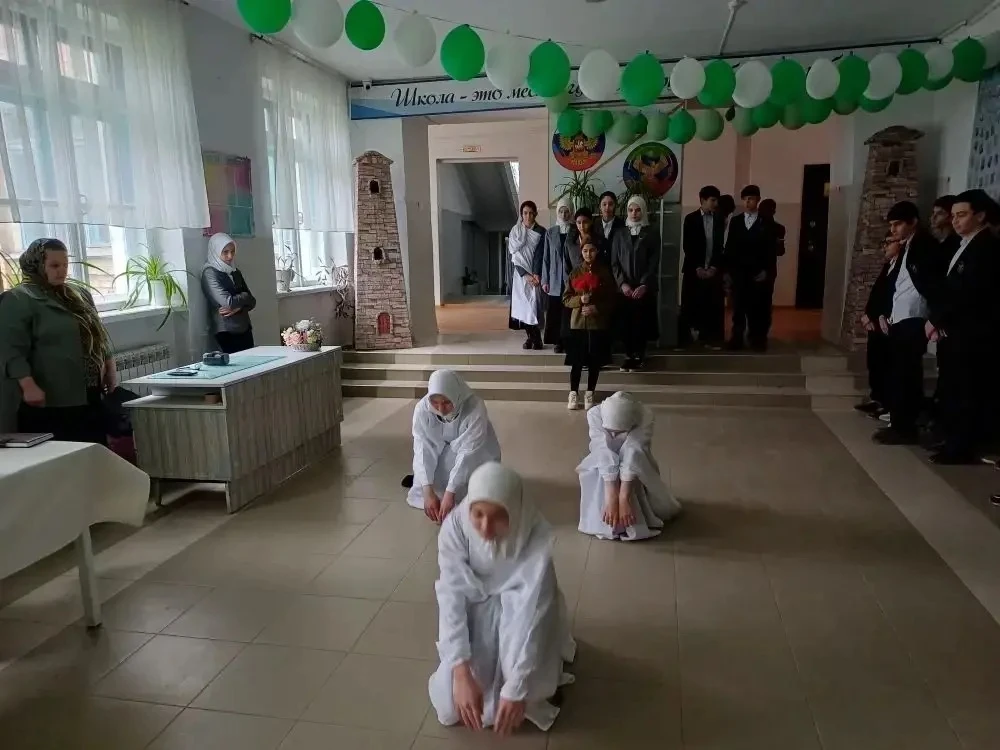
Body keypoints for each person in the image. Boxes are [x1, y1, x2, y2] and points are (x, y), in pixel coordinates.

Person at [428, 461, 576, 736]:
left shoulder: (534, 536)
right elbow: (451, 598)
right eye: (478, 514)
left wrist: (516, 687)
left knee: (519, 689)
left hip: (524, 610)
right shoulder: (456, 528)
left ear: (515, 513)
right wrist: (460, 670)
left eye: (498, 517)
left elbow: (534, 614)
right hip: (475, 606)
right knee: (451, 704)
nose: (485, 528)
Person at [0, 238, 114, 444]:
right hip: (53, 396)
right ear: (36, 265)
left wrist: (109, 366)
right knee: (65, 450)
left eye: (65, 265)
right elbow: (11, 349)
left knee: (95, 449)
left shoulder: (78, 294)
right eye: (54, 266)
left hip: (90, 391)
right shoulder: (18, 299)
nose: (62, 271)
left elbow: (97, 333)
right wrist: (28, 385)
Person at [925, 189, 1000, 464]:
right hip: (956, 330)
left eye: (962, 215)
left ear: (980, 215)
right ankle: (952, 439)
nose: (955, 221)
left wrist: (939, 320)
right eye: (954, 215)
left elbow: (970, 293)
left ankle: (960, 447)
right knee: (953, 388)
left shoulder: (986, 248)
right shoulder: (966, 244)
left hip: (972, 333)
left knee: (965, 391)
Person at [870, 202, 940, 445]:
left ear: (913, 222)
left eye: (898, 224)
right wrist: (885, 313)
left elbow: (930, 283)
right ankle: (899, 423)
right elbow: (896, 283)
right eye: (891, 225)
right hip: (899, 316)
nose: (894, 229)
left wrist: (934, 317)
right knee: (898, 373)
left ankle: (905, 427)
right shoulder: (907, 246)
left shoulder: (925, 245)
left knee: (907, 375)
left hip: (914, 316)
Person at [576, 391, 681, 540]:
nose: (614, 436)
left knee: (634, 470)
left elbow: (634, 449)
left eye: (620, 432)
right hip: (603, 459)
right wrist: (612, 495)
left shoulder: (645, 416)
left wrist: (624, 497)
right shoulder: (594, 414)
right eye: (611, 432)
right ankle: (607, 521)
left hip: (636, 459)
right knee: (603, 470)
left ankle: (633, 520)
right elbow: (602, 449)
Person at [405, 369, 502, 522]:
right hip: (443, 453)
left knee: (475, 486)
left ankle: (451, 496)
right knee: (426, 479)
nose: (441, 409)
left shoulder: (475, 407)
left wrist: (450, 493)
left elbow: (469, 452)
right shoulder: (423, 408)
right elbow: (423, 449)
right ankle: (436, 494)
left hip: (476, 454)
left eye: (446, 402)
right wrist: (427, 491)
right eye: (435, 403)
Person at [722, 185, 779, 351]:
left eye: (751, 199)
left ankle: (757, 339)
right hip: (739, 272)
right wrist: (728, 271)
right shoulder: (736, 221)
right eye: (745, 199)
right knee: (738, 308)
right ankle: (737, 338)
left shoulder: (766, 222)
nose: (748, 202)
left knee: (757, 308)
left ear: (758, 200)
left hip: (758, 272)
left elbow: (770, 249)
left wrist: (766, 271)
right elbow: (730, 247)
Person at [563, 241, 616, 411]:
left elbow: (611, 299)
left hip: (597, 324)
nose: (588, 254)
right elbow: (566, 298)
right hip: (578, 323)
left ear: (597, 251)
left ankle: (590, 392)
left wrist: (596, 308)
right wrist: (580, 300)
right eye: (585, 251)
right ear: (581, 252)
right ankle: (573, 392)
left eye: (592, 250)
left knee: (594, 361)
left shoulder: (604, 273)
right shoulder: (575, 272)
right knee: (576, 361)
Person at [613, 195, 659, 371]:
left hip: (642, 288)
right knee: (626, 323)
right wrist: (622, 284)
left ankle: (639, 355)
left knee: (641, 323)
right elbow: (614, 263)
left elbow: (654, 262)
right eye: (631, 210)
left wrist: (644, 284)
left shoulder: (651, 233)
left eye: (638, 210)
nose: (634, 213)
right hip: (625, 289)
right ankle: (628, 355)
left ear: (643, 211)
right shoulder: (619, 233)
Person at [856, 237, 901, 418]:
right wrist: (868, 314)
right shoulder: (888, 265)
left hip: (887, 322)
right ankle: (877, 398)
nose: (885, 247)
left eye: (889, 243)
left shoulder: (901, 267)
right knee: (874, 362)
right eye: (884, 243)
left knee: (886, 364)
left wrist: (879, 316)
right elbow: (876, 294)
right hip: (875, 322)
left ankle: (887, 403)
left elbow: (891, 297)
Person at [679, 185, 726, 349]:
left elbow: (719, 246)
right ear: (702, 200)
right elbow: (688, 246)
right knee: (690, 303)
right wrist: (698, 267)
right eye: (712, 200)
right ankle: (687, 339)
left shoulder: (719, 220)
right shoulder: (691, 219)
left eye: (716, 200)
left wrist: (713, 267)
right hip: (694, 269)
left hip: (712, 269)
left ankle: (710, 338)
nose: (715, 204)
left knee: (712, 304)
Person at [202, 232, 256, 354]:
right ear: (216, 251)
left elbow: (252, 302)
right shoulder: (210, 273)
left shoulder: (234, 271)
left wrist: (239, 307)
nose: (230, 256)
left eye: (232, 251)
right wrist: (244, 297)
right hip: (226, 330)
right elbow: (228, 302)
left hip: (244, 328)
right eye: (225, 252)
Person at [508, 201, 546, 350]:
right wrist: (524, 274)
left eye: (531, 213)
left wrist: (535, 274)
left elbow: (541, 255)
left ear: (535, 214)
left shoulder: (541, 231)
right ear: (521, 214)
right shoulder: (515, 231)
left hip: (536, 276)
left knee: (533, 306)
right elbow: (514, 256)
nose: (528, 216)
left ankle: (537, 339)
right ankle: (530, 338)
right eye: (525, 213)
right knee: (523, 307)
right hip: (520, 275)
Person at [540, 198, 573, 352]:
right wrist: (544, 280)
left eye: (567, 211)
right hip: (554, 279)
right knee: (555, 311)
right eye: (561, 211)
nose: (564, 214)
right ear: (557, 213)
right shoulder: (550, 232)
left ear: (571, 212)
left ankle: (568, 340)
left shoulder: (575, 230)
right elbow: (545, 258)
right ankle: (557, 341)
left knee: (568, 311)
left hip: (570, 278)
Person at [594, 191, 626, 266]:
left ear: (615, 206)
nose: (607, 207)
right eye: (604, 204)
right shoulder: (595, 225)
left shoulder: (622, 225)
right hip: (599, 267)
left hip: (617, 266)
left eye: (610, 204)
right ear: (600, 206)